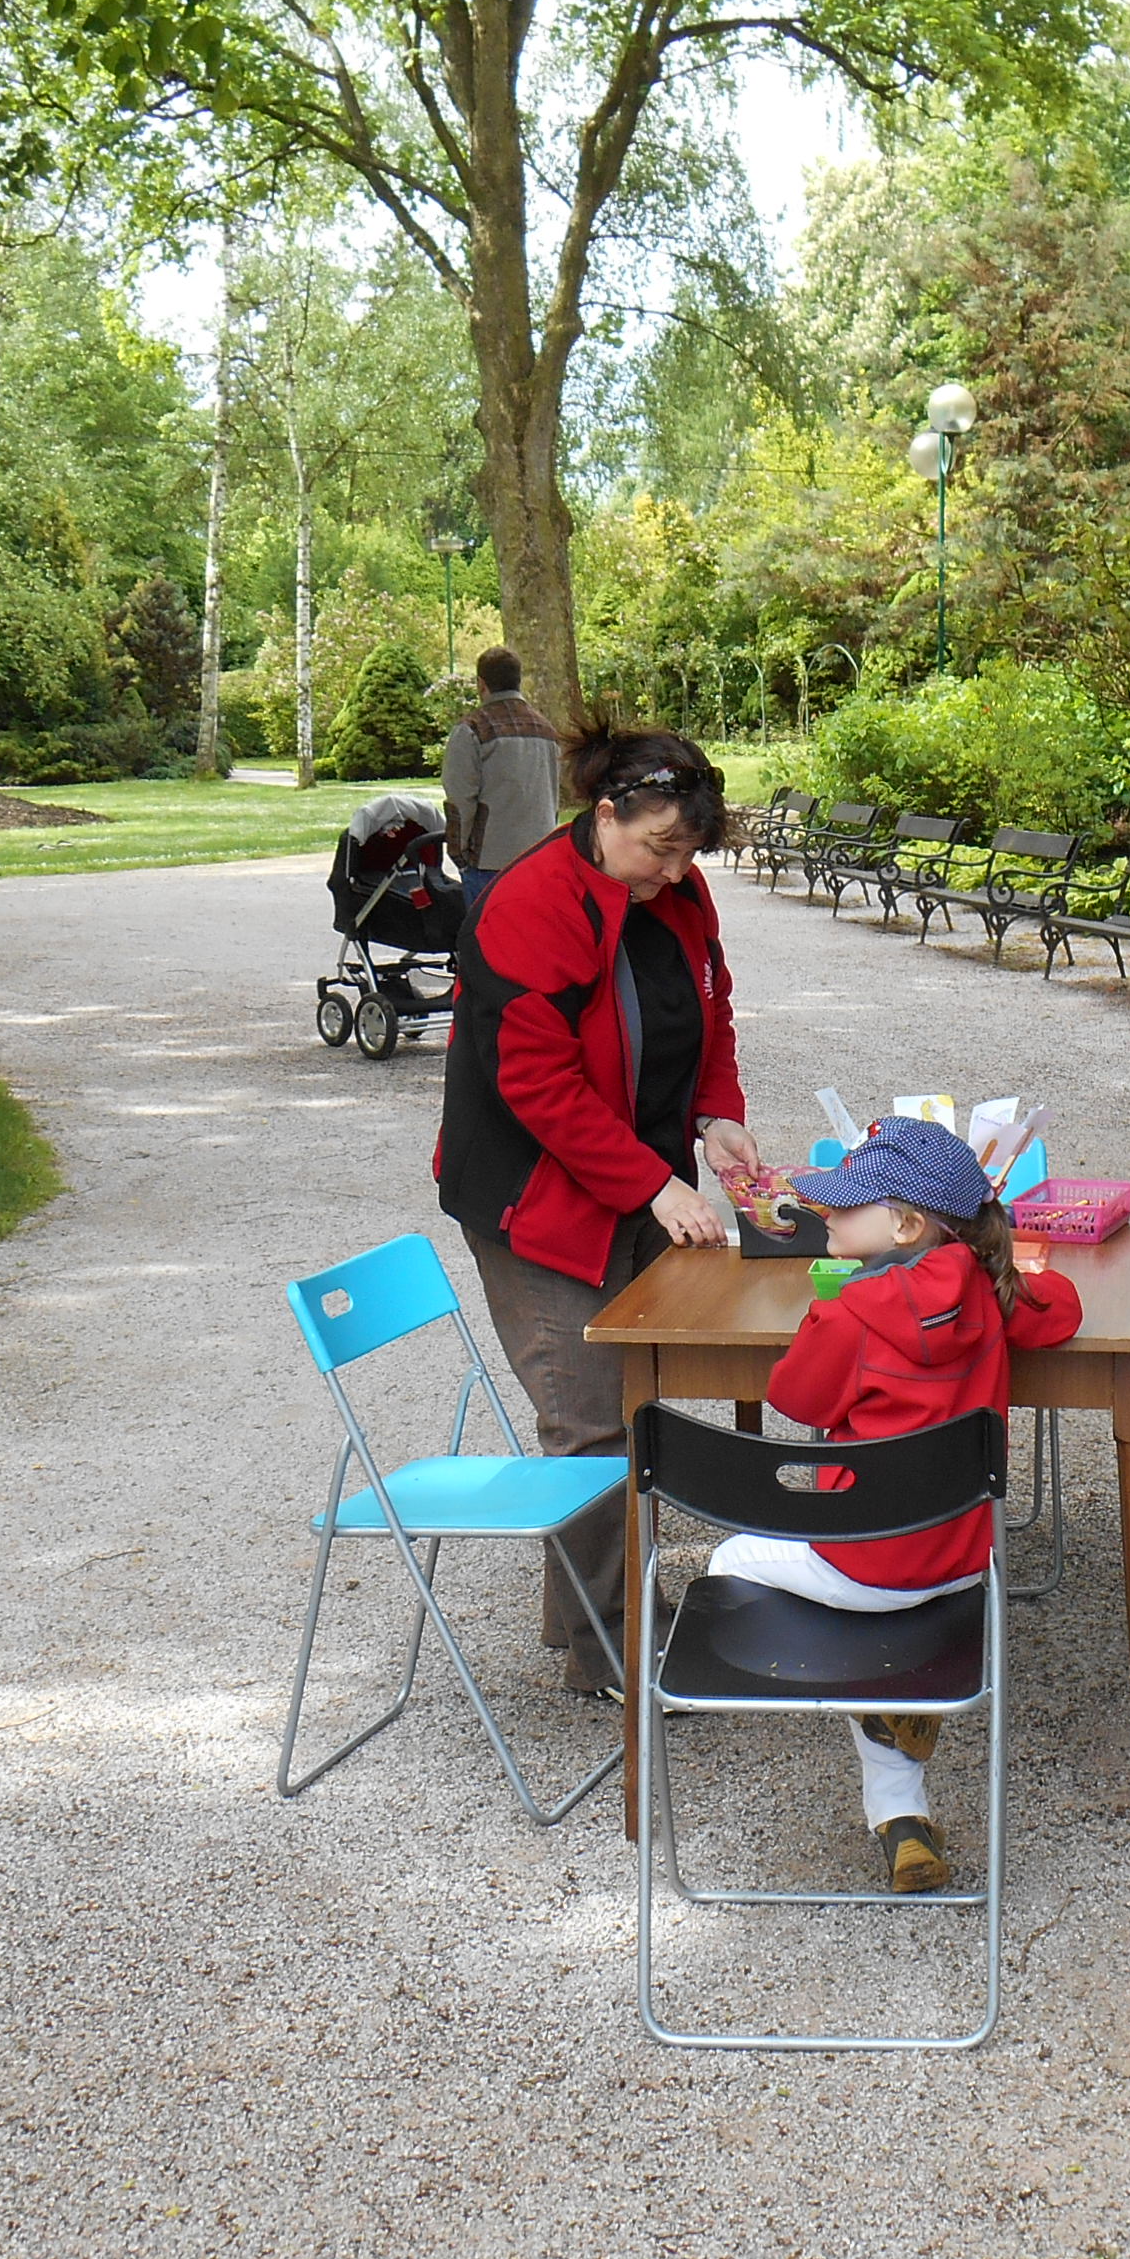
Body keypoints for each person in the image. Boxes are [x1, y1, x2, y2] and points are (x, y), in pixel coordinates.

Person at [436, 718, 759, 1696]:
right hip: (535, 1201)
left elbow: (709, 1009)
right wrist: (653, 1184)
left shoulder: (675, 888)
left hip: (637, 1183)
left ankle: (592, 1618)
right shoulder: (530, 904)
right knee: (588, 1426)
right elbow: (538, 1087)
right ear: (607, 812)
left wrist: (716, 1116)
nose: (675, 872)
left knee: (634, 1401)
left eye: (689, 854)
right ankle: (609, 1651)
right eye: (660, 849)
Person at [712, 1120, 1081, 1892]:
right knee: (865, 1601)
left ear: (907, 1226)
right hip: (966, 1564)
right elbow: (1063, 1309)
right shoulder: (989, 1289)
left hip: (864, 1566)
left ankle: (877, 1703)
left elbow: (793, 1398)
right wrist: (1010, 1268)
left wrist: (824, 1318)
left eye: (849, 1204)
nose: (829, 1211)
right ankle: (900, 1815)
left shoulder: (850, 1313)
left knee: (727, 1560)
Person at [441, 646, 562, 881]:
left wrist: (459, 851)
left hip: (490, 860)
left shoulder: (472, 729)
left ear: (481, 684)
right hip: (540, 856)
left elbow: (460, 799)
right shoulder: (547, 730)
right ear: (518, 681)